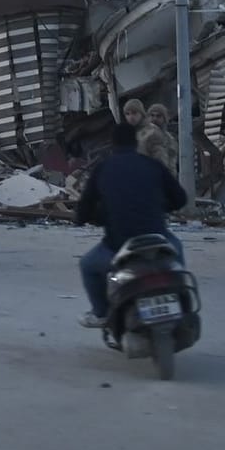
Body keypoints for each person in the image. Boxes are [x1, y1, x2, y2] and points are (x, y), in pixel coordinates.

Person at [74, 121, 188, 329]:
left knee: (88, 266)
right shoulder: (153, 166)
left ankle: (101, 313)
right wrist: (161, 206)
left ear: (112, 144)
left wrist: (87, 218)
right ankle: (182, 302)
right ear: (136, 142)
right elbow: (180, 199)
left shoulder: (103, 169)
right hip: (157, 238)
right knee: (177, 258)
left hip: (118, 245)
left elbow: (84, 208)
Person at [138, 103, 179, 175]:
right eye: (152, 115)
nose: (154, 119)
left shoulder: (170, 139)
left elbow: (172, 162)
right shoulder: (142, 135)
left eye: (158, 116)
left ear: (164, 119)